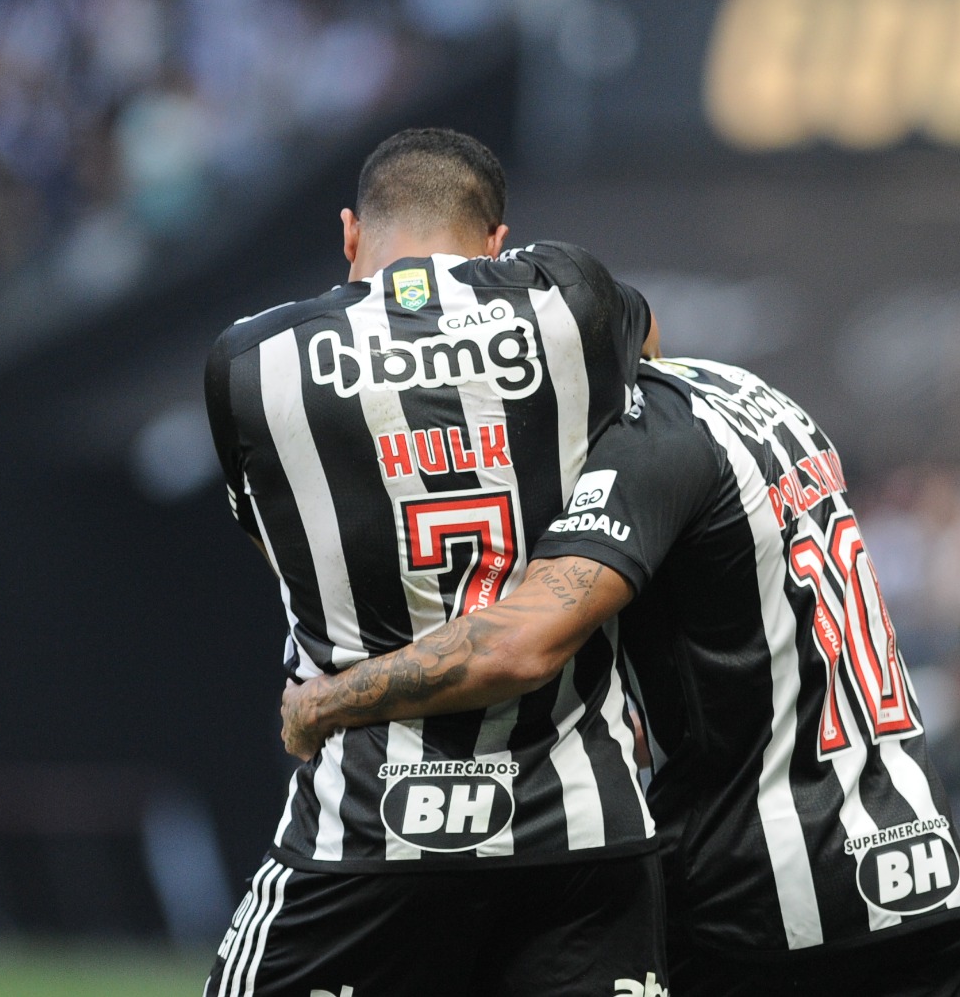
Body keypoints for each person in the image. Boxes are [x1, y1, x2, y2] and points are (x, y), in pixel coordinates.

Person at [283, 355, 960, 996]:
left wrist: (328, 701)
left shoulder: (646, 437)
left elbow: (520, 645)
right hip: (919, 873)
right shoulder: (751, 397)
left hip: (775, 896)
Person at [203, 128, 665, 996]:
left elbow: (285, 551)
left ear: (350, 235)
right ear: (497, 242)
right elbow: (654, 369)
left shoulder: (248, 361)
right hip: (579, 834)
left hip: (365, 830)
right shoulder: (570, 297)